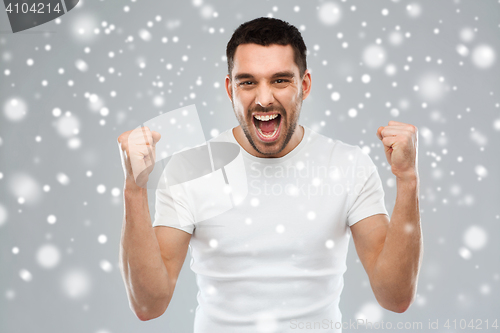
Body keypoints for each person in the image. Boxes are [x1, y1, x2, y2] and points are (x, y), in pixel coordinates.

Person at [117, 17, 423, 333]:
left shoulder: (348, 165)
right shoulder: (191, 168)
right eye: (248, 82)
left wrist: (407, 178)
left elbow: (395, 297)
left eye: (279, 80)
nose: (264, 99)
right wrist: (134, 188)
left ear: (304, 85)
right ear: (230, 88)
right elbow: (148, 305)